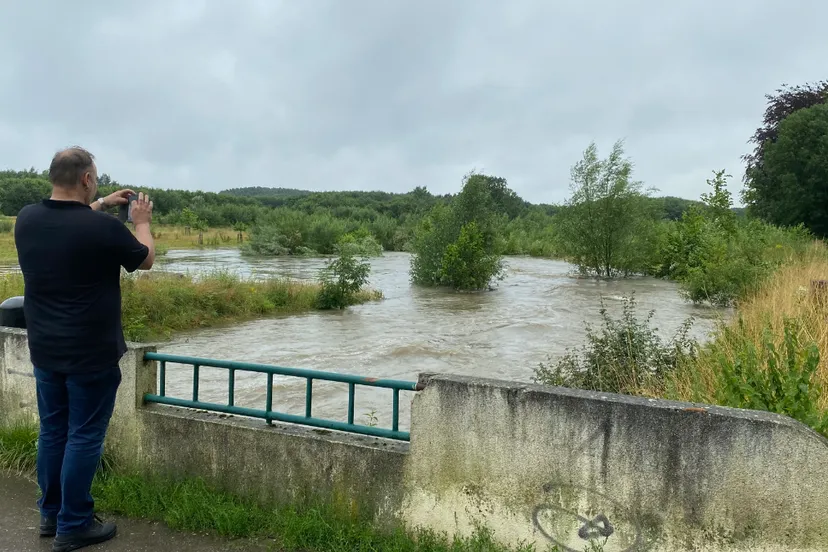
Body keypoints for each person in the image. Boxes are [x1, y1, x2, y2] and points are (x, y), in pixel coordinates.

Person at [14, 147, 155, 552]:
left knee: (53, 431)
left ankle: (51, 515)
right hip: (91, 354)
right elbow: (144, 260)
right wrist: (140, 222)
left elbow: (70, 218)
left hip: (45, 350)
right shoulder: (104, 230)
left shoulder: (27, 219)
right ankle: (73, 524)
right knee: (84, 436)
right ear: (87, 179)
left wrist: (101, 203)